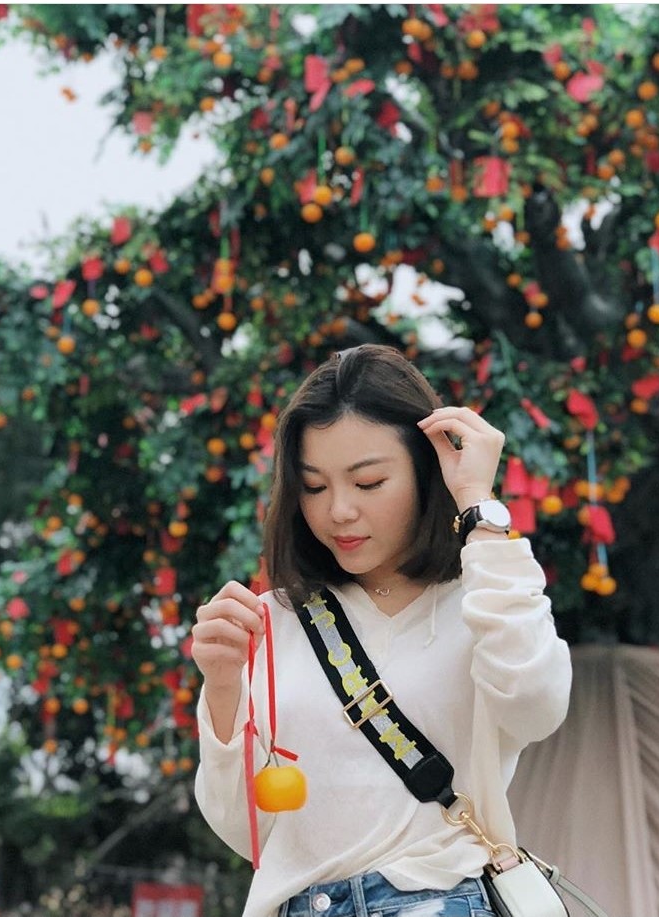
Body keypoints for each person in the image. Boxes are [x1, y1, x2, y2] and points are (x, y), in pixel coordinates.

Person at [193, 344, 572, 917]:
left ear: (425, 472)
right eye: (314, 486)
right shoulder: (273, 622)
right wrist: (222, 685)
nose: (339, 511)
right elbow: (248, 832)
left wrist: (479, 506)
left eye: (368, 482)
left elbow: (537, 705)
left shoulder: (484, 600)